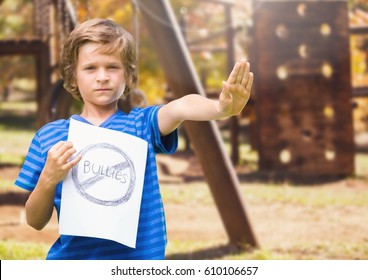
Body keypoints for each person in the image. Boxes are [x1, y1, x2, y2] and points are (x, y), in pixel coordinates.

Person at [14, 18, 253, 260]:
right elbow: (35, 221)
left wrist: (221, 109)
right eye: (90, 68)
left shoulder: (142, 125)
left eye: (113, 67)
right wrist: (48, 178)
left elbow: (182, 107)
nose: (102, 77)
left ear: (128, 76)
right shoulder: (49, 137)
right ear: (73, 76)